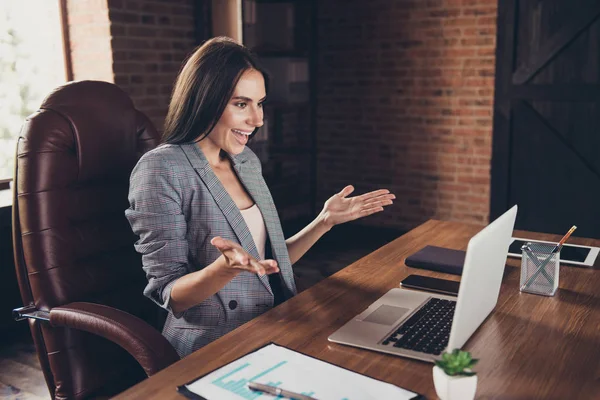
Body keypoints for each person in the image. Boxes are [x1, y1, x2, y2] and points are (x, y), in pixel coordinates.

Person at [125, 37, 395, 358]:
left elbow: (268, 265)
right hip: (213, 344)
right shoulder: (162, 168)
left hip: (276, 321)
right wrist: (224, 270)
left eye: (260, 103)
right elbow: (171, 294)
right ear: (205, 100)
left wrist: (324, 222)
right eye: (242, 104)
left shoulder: (245, 161)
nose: (258, 120)